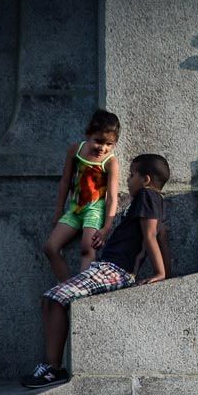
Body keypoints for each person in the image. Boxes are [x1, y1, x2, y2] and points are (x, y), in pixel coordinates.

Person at [21, 154, 171, 388]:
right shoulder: (150, 201)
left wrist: (161, 273)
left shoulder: (147, 195)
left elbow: (152, 235)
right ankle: (50, 366)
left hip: (116, 271)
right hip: (107, 267)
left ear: (146, 180)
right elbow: (162, 235)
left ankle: (52, 369)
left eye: (132, 175)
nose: (128, 180)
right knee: (48, 300)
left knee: (55, 297)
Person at [43, 109, 121, 282]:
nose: (103, 148)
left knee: (88, 248)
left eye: (109, 144)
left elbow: (112, 197)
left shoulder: (110, 162)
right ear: (88, 134)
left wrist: (106, 227)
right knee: (50, 247)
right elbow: (65, 182)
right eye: (98, 141)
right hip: (74, 209)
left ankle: (82, 293)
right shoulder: (75, 151)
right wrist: (58, 211)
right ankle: (69, 287)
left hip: (95, 210)